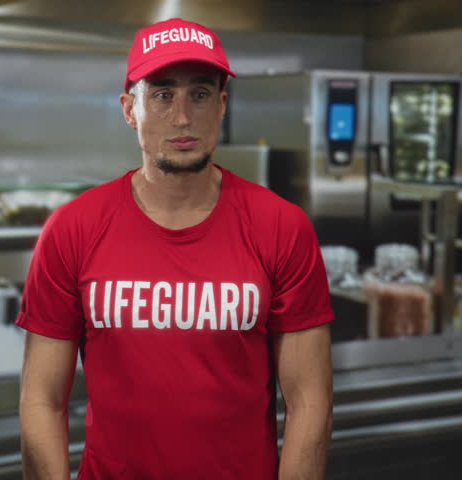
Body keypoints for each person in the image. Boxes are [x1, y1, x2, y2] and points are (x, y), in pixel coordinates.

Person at [17, 17, 335, 480]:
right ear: (130, 109)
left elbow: (309, 402)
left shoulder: (282, 228)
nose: (183, 117)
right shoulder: (73, 229)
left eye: (200, 94)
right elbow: (41, 400)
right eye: (162, 95)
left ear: (222, 105)